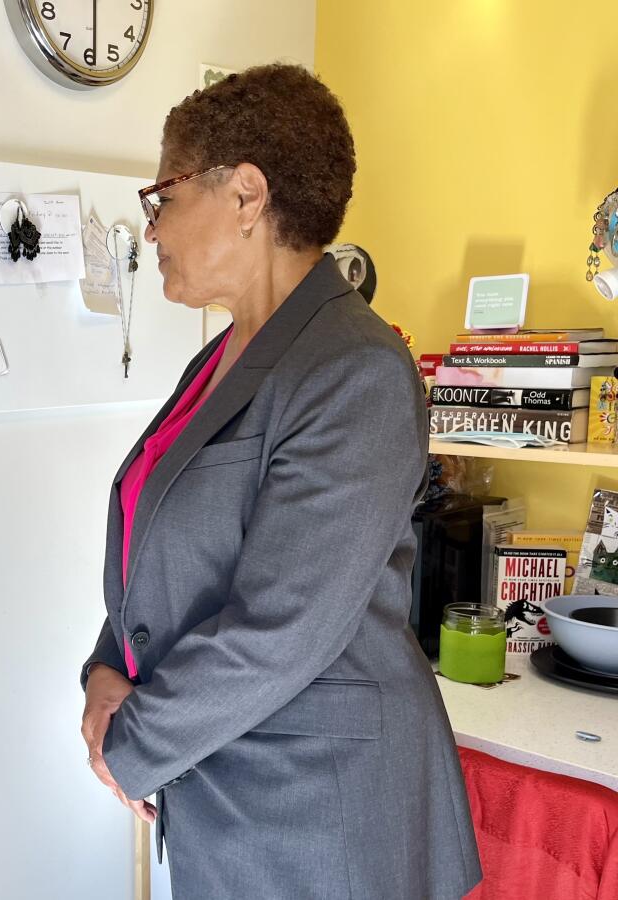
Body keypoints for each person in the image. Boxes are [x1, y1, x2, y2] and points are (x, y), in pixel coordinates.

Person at [79, 64, 482, 899]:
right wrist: (103, 671)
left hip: (320, 819)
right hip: (227, 796)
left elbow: (282, 625)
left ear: (247, 195)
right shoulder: (223, 359)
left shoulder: (357, 368)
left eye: (163, 198)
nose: (150, 230)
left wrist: (132, 739)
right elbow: (164, 553)